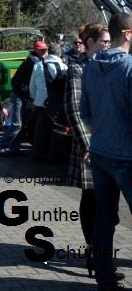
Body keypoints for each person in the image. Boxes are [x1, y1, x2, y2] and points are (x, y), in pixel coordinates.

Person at [80, 13, 132, 290]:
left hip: (100, 152)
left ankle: (105, 278)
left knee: (104, 219)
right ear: (128, 33)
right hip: (126, 156)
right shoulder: (129, 67)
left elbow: (85, 111)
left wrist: (100, 135)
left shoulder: (91, 67)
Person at [65, 23, 115, 280]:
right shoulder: (77, 69)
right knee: (92, 198)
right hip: (89, 144)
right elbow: (74, 109)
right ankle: (93, 253)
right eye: (104, 41)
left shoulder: (111, 65)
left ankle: (102, 256)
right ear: (90, 42)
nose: (108, 46)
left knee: (108, 204)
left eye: (109, 42)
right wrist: (89, 145)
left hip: (110, 144)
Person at [0, 40, 46, 157]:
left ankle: (14, 149)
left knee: (21, 124)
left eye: (45, 50)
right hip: (19, 94)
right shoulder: (34, 61)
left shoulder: (34, 59)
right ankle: (0, 145)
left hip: (24, 95)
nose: (43, 51)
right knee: (17, 124)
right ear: (36, 49)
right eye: (41, 49)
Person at [29, 42, 67, 162]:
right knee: (56, 130)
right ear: (59, 53)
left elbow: (32, 86)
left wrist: (34, 98)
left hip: (41, 103)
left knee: (40, 129)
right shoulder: (64, 67)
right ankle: (54, 156)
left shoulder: (38, 66)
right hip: (57, 104)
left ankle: (38, 154)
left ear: (48, 52)